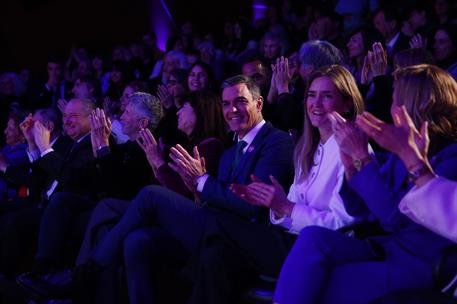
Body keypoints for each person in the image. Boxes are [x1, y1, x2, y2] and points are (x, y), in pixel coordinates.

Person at [85, 75, 294, 304]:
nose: (232, 109)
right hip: (214, 229)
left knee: (150, 195)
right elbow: (216, 199)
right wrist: (196, 191)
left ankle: (88, 271)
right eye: (226, 104)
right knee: (138, 240)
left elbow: (252, 205)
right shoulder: (228, 153)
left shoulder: (276, 141)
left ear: (259, 103)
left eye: (241, 101)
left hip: (243, 239)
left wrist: (202, 181)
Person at [273, 64, 457, 304]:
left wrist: (363, 157)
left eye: (394, 100)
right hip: (388, 249)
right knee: (311, 239)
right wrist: (351, 167)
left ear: (416, 105)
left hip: (420, 264)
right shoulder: (398, 152)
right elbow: (361, 209)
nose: (390, 109)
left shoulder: (449, 157)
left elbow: (395, 219)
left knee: (316, 283)